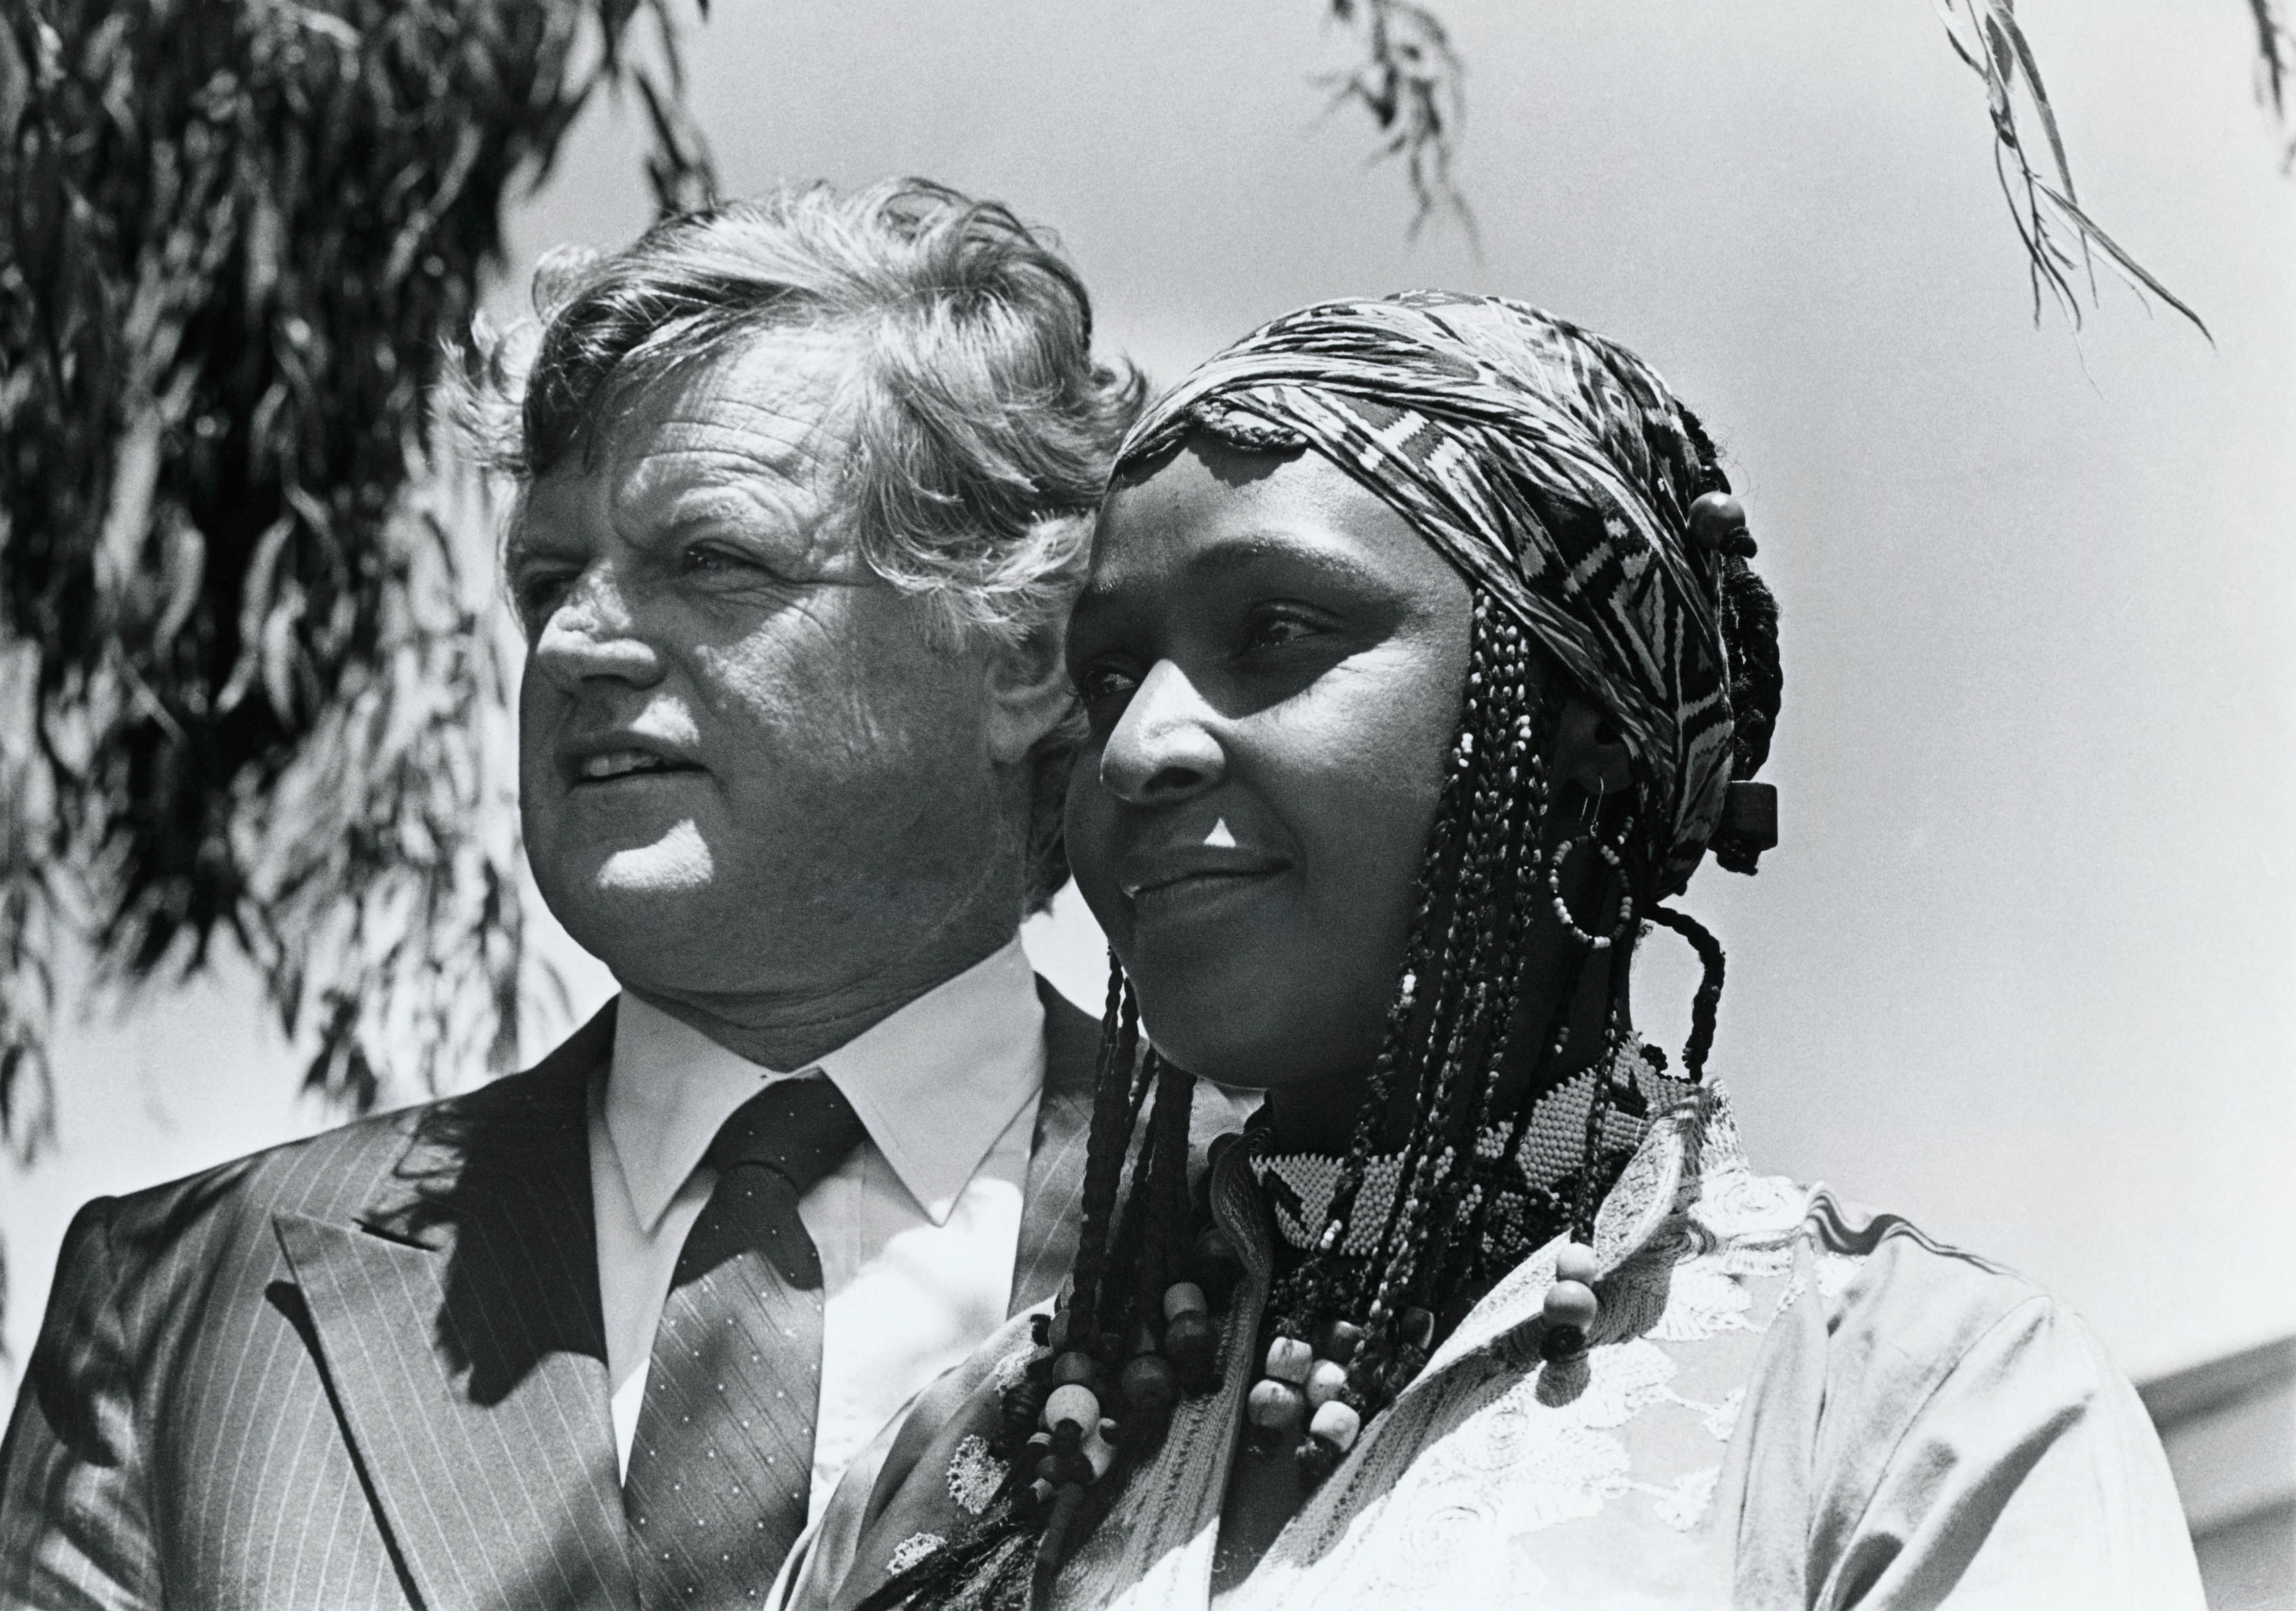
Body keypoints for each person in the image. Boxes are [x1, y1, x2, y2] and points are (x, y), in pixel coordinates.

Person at [779, 293, 2205, 1610]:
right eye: (1107, 675)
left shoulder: (1911, 1409)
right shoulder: (955, 1470)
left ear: (1584, 735)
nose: (1140, 746)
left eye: (1278, 631)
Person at [0, 179, 1245, 1611]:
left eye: (711, 560)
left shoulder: (1296, 1243)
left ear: (1022, 652)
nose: (577, 641)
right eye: (547, 577)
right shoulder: (185, 1302)